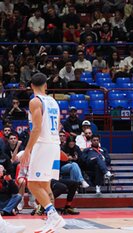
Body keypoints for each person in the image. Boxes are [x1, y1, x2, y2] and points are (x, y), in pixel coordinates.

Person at [20, 73, 66, 232]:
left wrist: (27, 149)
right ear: (46, 85)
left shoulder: (35, 101)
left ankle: (53, 216)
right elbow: (58, 126)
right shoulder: (53, 101)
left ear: (31, 86)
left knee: (32, 184)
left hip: (43, 144)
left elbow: (37, 129)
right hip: (54, 144)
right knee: (45, 184)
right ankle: (51, 221)